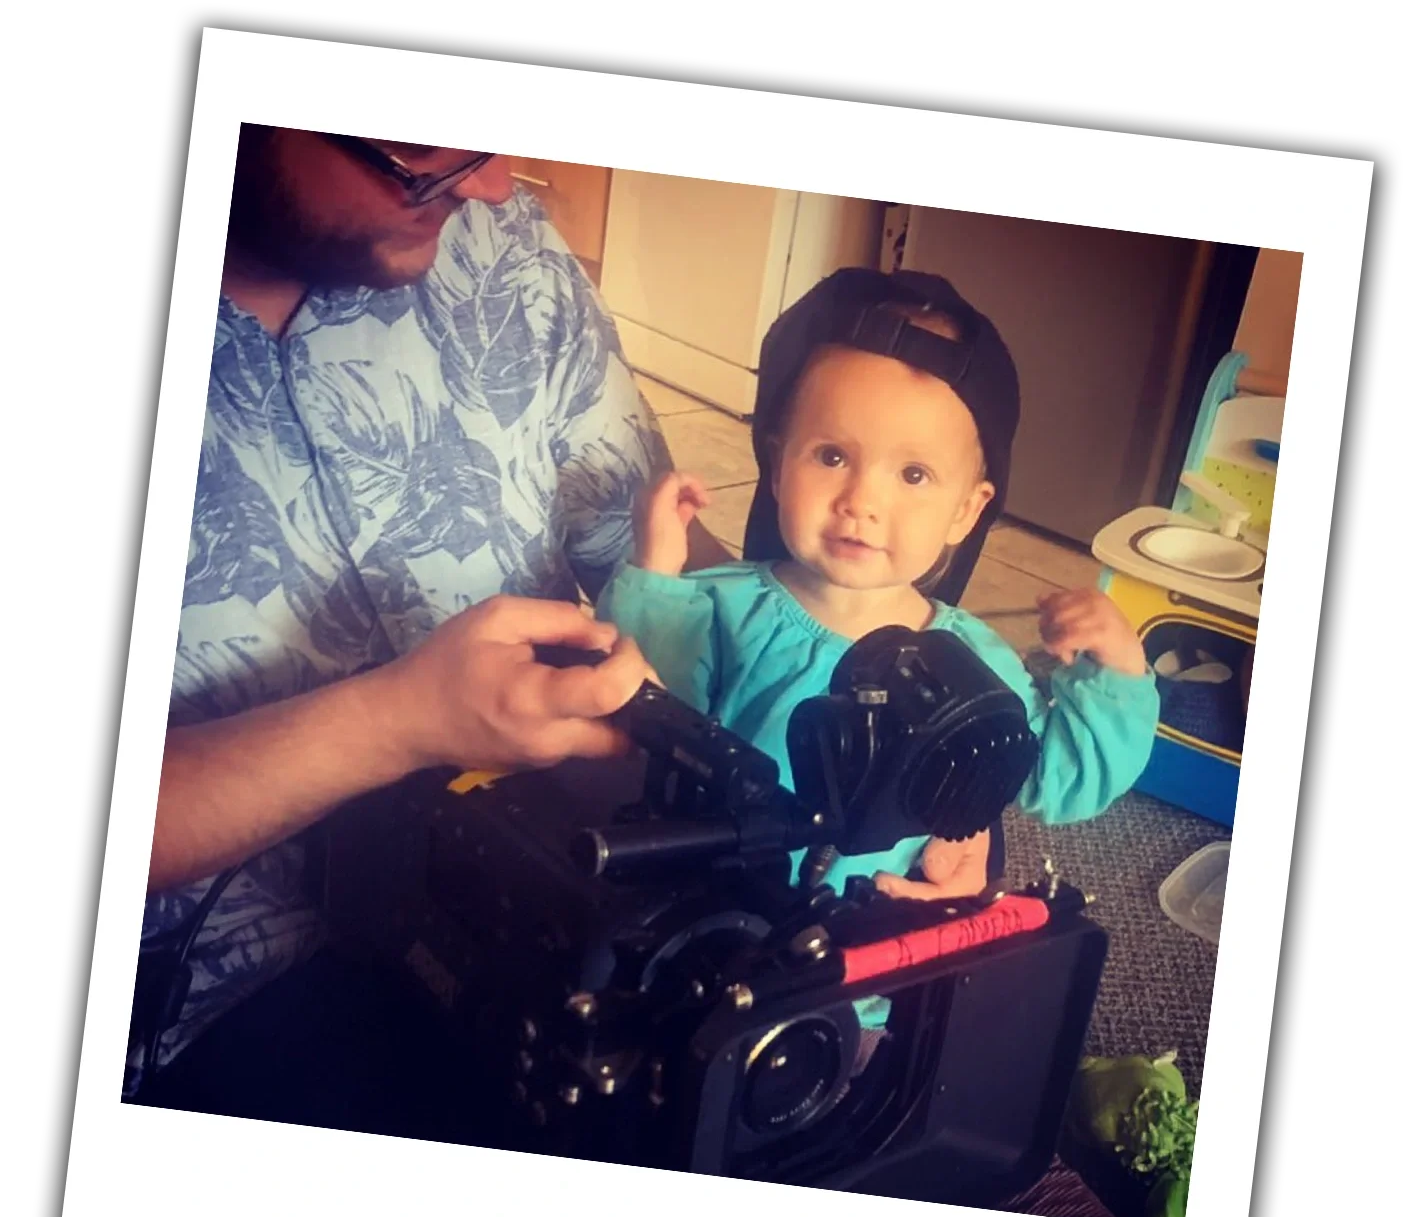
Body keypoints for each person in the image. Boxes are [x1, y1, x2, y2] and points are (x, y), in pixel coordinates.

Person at [134, 127, 726, 1101]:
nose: (489, 187)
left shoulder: (506, 248)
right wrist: (393, 721)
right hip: (213, 1002)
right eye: (422, 148)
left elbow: (654, 565)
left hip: (550, 887)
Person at [597, 267, 1161, 1038]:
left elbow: (1059, 779)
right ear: (777, 461)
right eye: (831, 456)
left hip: (861, 967)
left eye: (913, 473)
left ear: (965, 511)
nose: (862, 500)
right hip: (700, 935)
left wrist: (1118, 670)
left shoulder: (970, 665)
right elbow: (645, 711)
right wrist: (657, 572)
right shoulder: (719, 607)